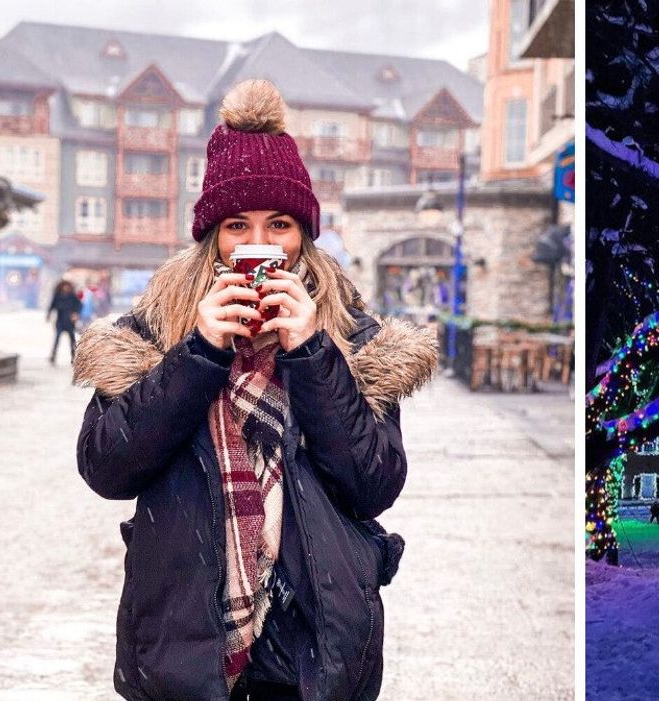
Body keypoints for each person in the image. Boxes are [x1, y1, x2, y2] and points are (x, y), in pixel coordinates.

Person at [72, 81, 437, 701]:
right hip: (183, 644)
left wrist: (312, 353)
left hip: (312, 649)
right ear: (212, 236)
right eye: (237, 224)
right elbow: (107, 468)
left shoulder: (356, 341)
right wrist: (199, 352)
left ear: (304, 235)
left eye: (280, 224)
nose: (259, 244)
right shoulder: (152, 334)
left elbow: (374, 484)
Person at [46, 280, 81, 365]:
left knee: (72, 340)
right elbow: (52, 306)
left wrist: (76, 314)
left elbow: (79, 305)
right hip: (60, 321)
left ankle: (74, 356)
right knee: (57, 338)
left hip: (70, 322)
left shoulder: (72, 296)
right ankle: (53, 355)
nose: (66, 288)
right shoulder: (58, 296)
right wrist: (48, 315)